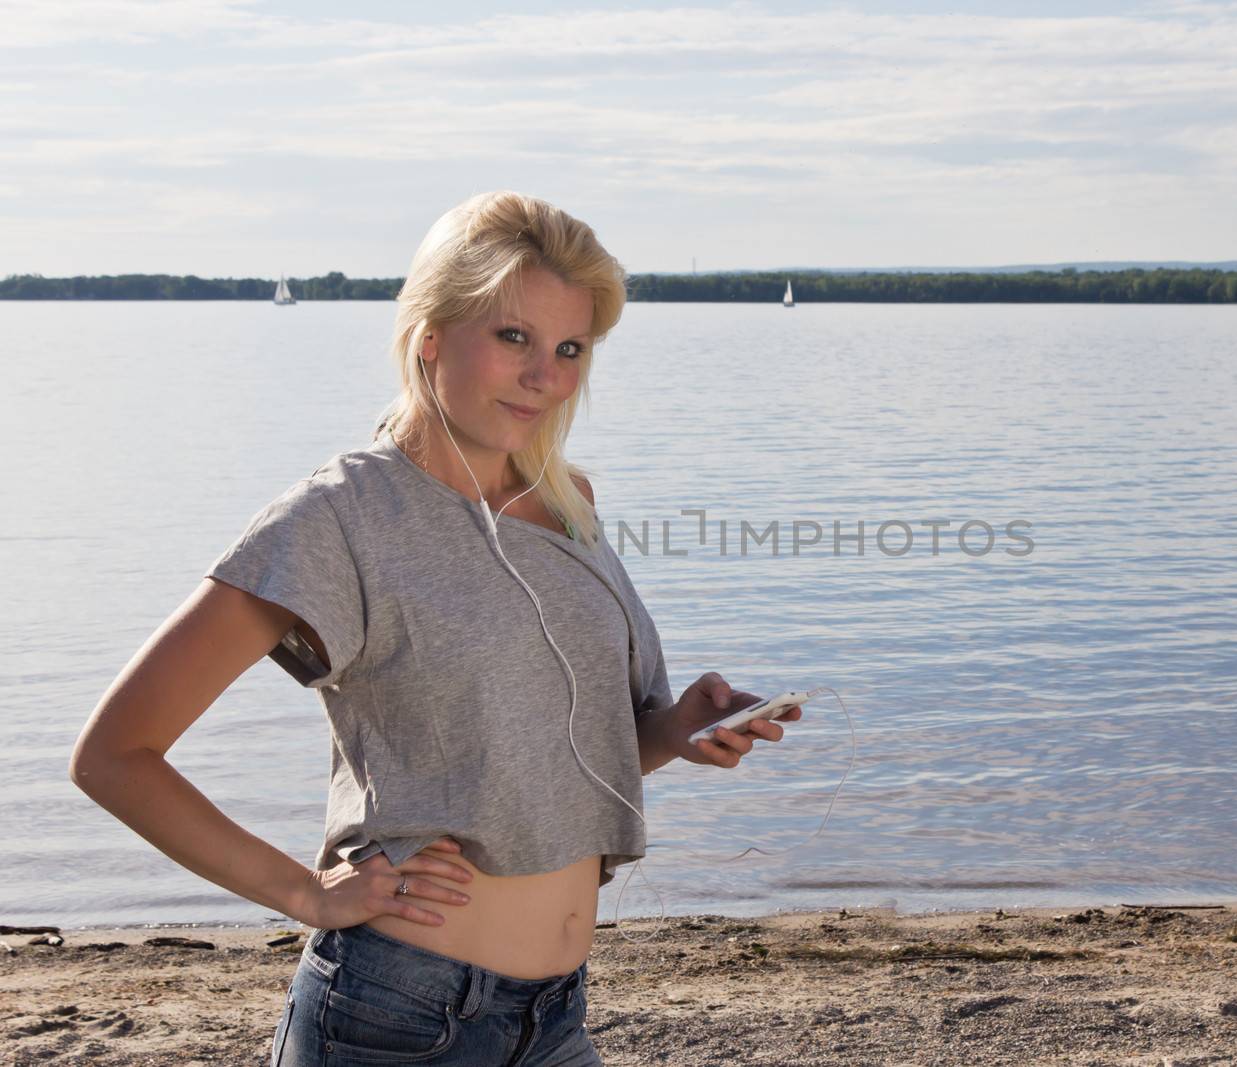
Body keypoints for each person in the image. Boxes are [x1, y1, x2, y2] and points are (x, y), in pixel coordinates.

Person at [68, 190, 801, 1066]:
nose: (546, 374)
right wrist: (305, 891)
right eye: (513, 337)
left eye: (570, 348)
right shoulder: (342, 518)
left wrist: (678, 729)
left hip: (557, 1018)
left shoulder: (568, 503)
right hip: (397, 1019)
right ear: (429, 334)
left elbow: (551, 753)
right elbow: (114, 755)